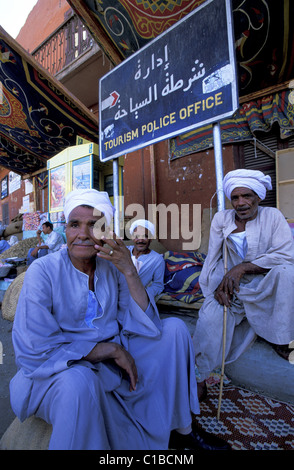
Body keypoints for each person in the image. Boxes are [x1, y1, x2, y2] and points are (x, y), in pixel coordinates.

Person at [10, 188, 230, 451]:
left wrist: (129, 270)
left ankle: (181, 431)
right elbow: (35, 345)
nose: (82, 234)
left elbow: (143, 320)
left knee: (175, 330)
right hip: (61, 366)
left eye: (93, 225)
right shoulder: (42, 271)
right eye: (74, 225)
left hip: (112, 357)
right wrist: (108, 350)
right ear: (65, 230)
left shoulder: (111, 266)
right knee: (79, 382)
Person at [193, 169, 294, 400]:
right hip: (230, 282)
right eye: (235, 198)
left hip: (265, 281)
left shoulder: (273, 216)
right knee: (210, 318)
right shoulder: (222, 219)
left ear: (258, 197)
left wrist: (242, 268)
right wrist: (216, 287)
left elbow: (285, 256)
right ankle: (200, 376)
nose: (241, 203)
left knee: (288, 273)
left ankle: (280, 337)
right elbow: (214, 256)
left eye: (247, 196)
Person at [127, 219, 165, 300]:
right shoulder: (125, 252)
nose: (140, 240)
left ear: (151, 239)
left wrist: (144, 295)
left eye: (145, 236)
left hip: (138, 300)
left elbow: (158, 285)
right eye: (137, 236)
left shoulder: (157, 259)